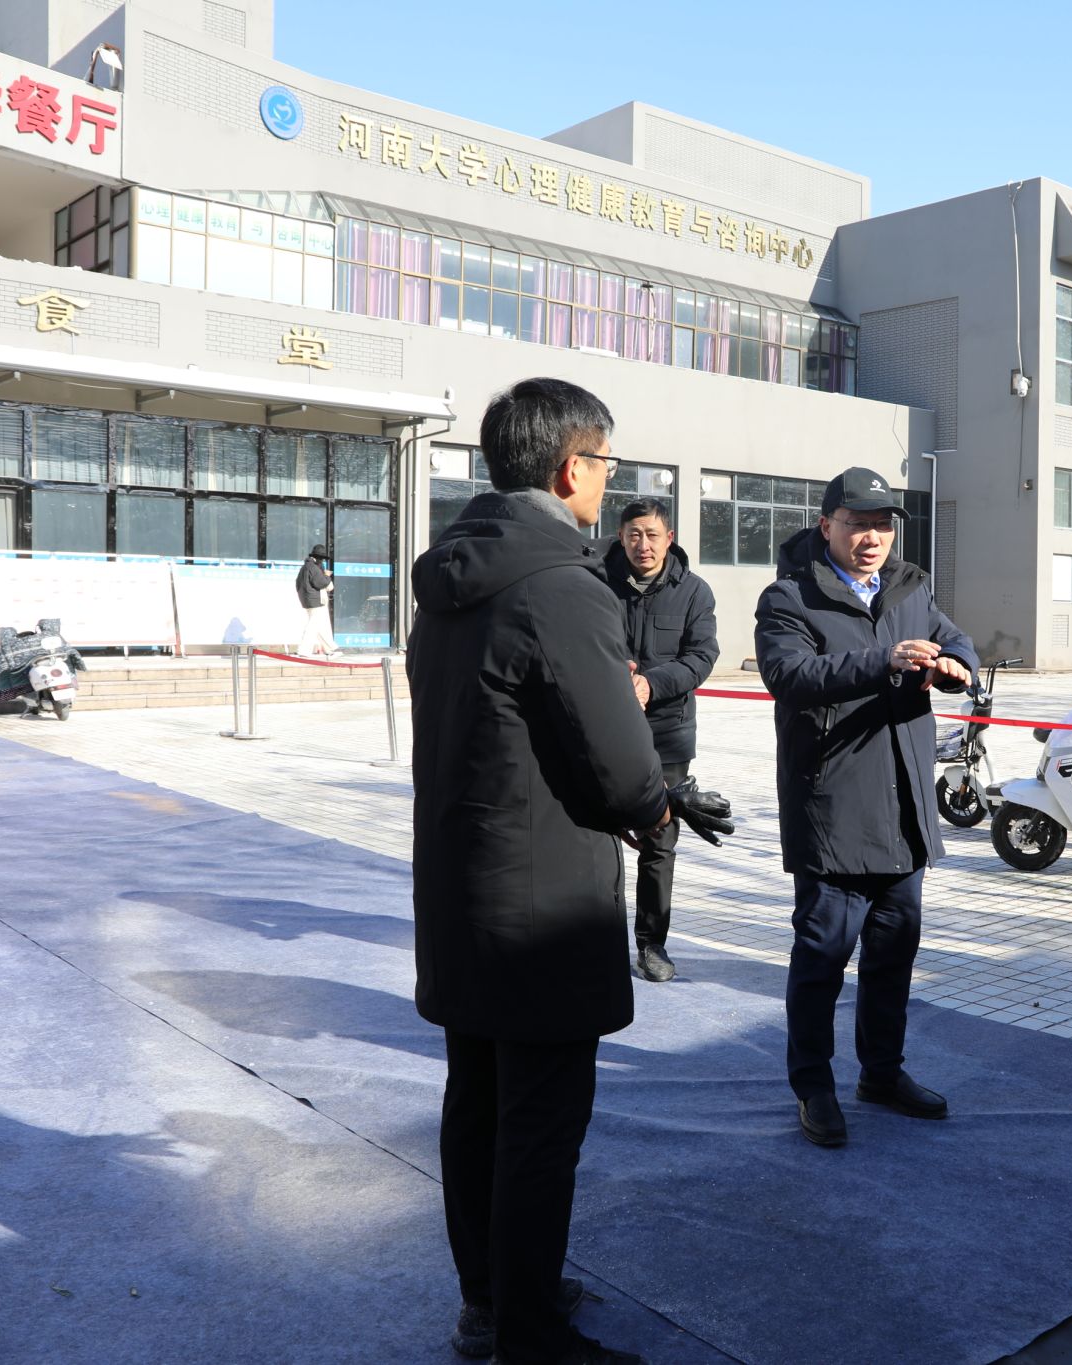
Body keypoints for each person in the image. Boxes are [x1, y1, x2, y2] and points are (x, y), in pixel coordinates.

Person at [408, 378, 672, 1365]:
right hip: (545, 901)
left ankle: (489, 1300)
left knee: (475, 1103)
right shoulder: (562, 586)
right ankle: (529, 1334)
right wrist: (655, 807)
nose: (607, 481)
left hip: (461, 889)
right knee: (539, 1127)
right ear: (570, 468)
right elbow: (621, 769)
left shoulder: (449, 582)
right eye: (604, 463)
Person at [754, 466, 977, 1148]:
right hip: (834, 811)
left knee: (892, 956)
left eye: (883, 525)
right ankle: (813, 1085)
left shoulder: (909, 587)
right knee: (822, 958)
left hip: (904, 808)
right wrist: (885, 659)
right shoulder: (790, 596)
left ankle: (882, 1072)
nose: (873, 537)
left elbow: (957, 640)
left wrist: (954, 666)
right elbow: (790, 675)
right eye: (857, 524)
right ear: (827, 526)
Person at [604, 497, 719, 983]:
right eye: (634, 534)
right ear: (621, 536)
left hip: (667, 735)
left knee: (658, 840)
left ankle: (651, 944)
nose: (643, 544)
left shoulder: (693, 591)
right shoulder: (596, 582)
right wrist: (614, 677)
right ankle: (594, 935)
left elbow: (702, 657)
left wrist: (650, 684)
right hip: (603, 728)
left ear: (669, 538)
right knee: (596, 835)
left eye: (652, 534)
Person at [295, 544, 341, 657]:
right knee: (313, 626)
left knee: (320, 626)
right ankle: (304, 650)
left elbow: (297, 583)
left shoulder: (305, 567)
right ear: (319, 558)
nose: (323, 561)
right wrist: (327, 575)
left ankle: (329, 648)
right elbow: (321, 583)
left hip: (308, 600)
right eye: (322, 558)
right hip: (316, 601)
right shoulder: (314, 568)